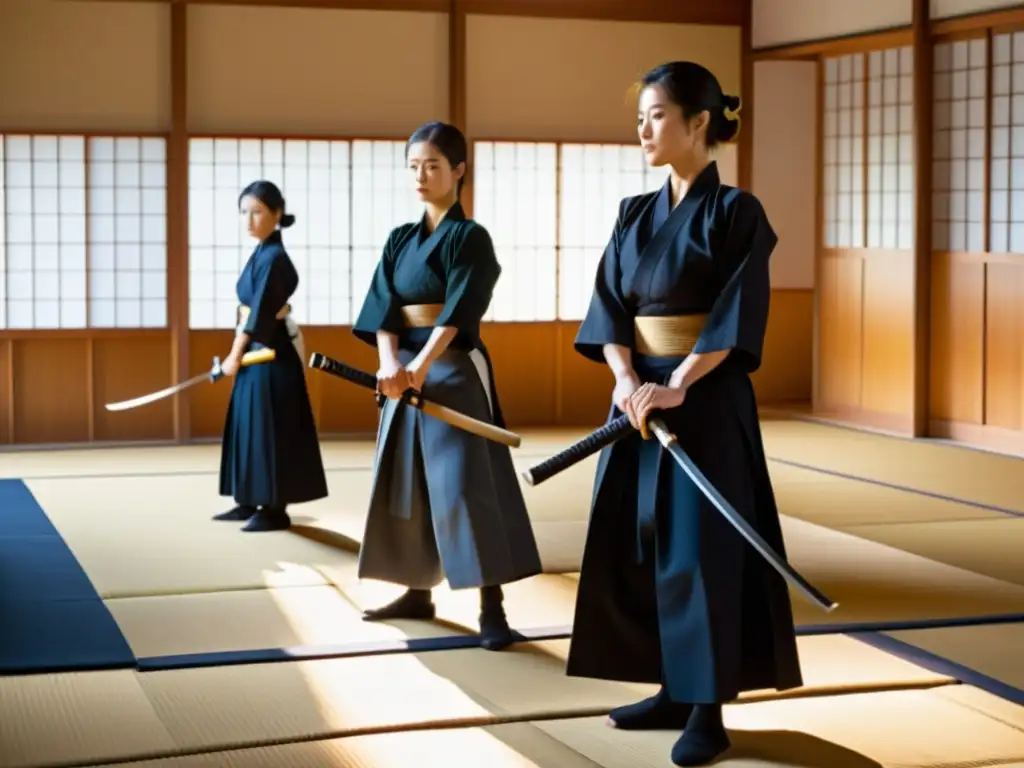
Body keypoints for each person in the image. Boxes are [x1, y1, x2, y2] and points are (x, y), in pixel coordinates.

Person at [566, 62, 803, 766]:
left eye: (658, 114)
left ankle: (707, 707)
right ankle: (670, 686)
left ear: (700, 123)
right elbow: (609, 303)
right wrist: (625, 376)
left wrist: (679, 384)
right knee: (639, 539)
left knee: (702, 550)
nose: (643, 128)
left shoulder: (737, 213)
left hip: (704, 397)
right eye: (640, 116)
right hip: (637, 400)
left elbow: (736, 313)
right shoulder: (633, 214)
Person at [351, 120, 542, 651]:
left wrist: (420, 365)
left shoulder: (470, 238)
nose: (421, 175)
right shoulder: (398, 240)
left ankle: (492, 606)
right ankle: (416, 591)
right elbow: (382, 312)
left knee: (465, 486)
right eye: (413, 166)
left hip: (453, 367)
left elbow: (458, 312)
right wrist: (391, 364)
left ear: (458, 170)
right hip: (402, 374)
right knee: (404, 479)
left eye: (432, 165)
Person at [213, 180, 329, 532]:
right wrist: (238, 353)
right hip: (255, 354)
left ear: (276, 215)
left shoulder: (276, 259)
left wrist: (234, 355)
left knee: (270, 431)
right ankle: (247, 499)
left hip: (272, 357)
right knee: (248, 427)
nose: (249, 220)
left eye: (257, 212)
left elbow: (259, 312)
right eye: (244, 213)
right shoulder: (261, 252)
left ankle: (275, 508)